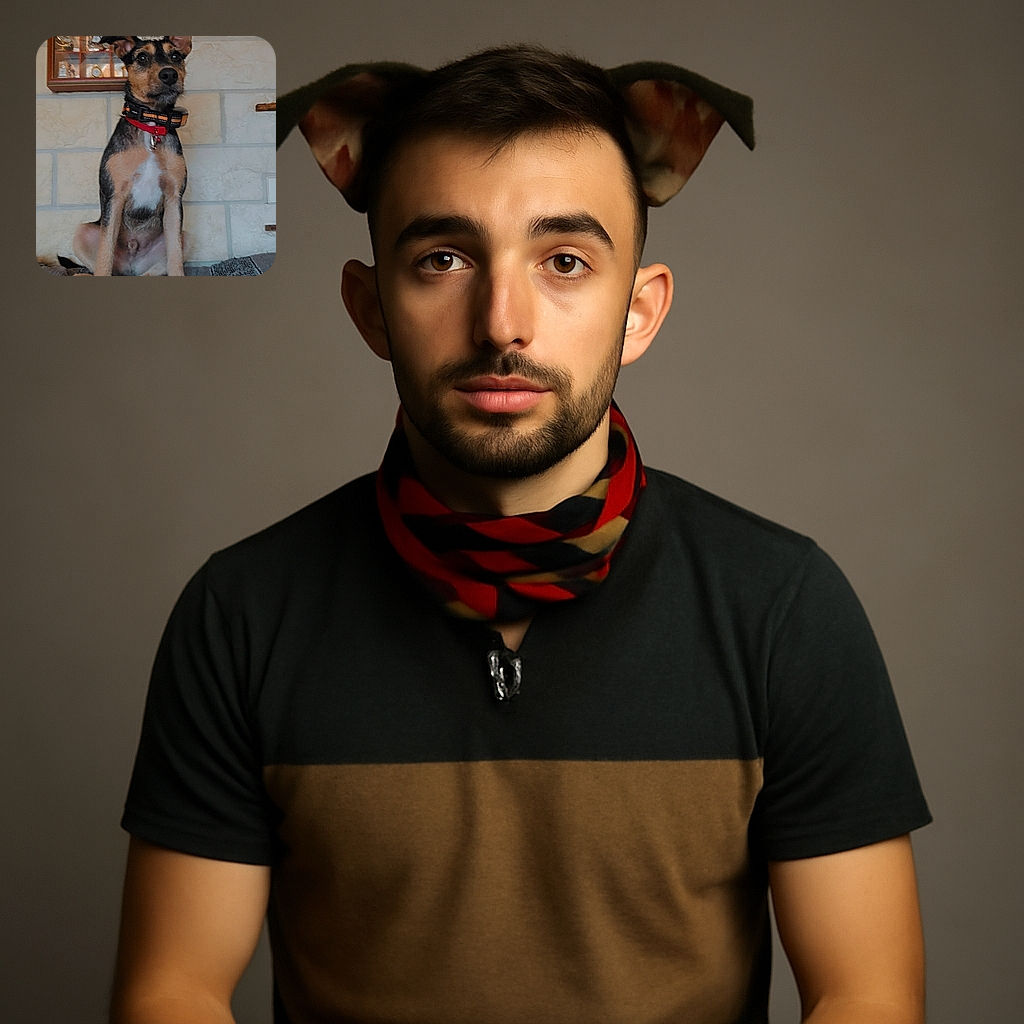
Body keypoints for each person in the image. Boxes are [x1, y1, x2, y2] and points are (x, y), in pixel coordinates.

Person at [111, 45, 931, 1024]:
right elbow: (173, 990)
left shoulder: (783, 609)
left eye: (565, 262)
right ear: (372, 309)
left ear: (639, 312)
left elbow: (865, 995)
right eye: (443, 259)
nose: (503, 322)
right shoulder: (243, 614)